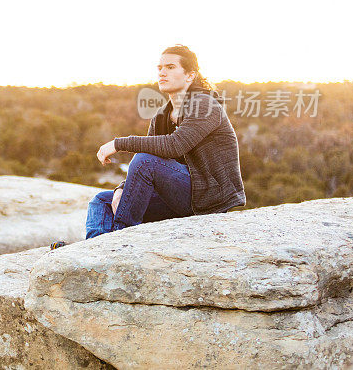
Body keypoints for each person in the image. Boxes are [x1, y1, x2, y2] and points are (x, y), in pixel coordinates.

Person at [50, 44, 245, 249]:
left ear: (190, 75)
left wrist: (118, 143)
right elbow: (147, 163)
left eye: (170, 67)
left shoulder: (206, 105)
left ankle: (119, 238)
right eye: (159, 67)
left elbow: (174, 146)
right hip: (178, 198)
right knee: (104, 200)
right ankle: (95, 248)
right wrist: (121, 189)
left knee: (145, 161)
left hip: (208, 198)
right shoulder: (162, 116)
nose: (162, 72)